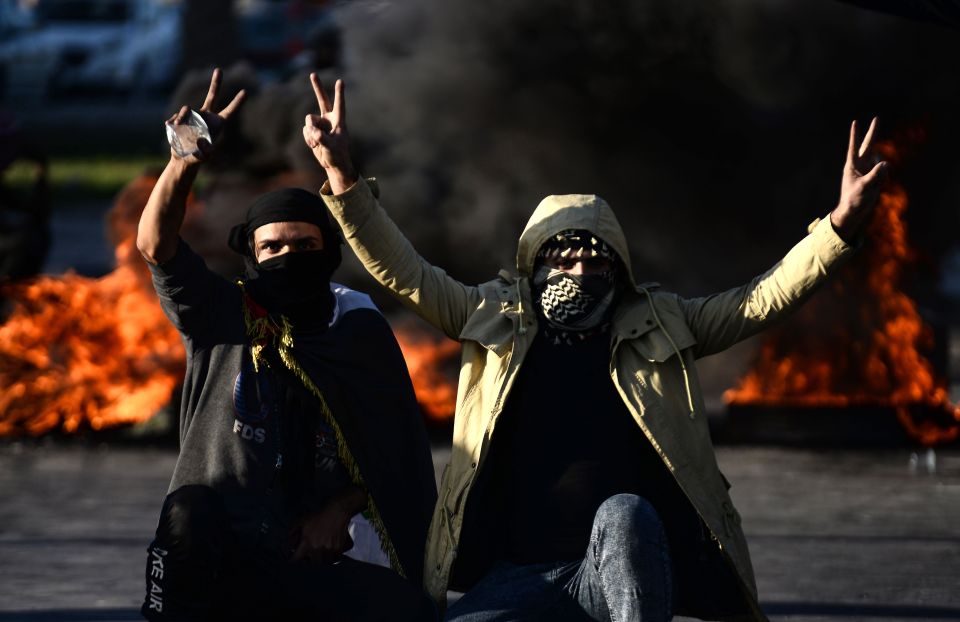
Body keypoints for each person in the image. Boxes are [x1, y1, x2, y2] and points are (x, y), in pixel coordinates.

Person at [302, 74, 887, 621]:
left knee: (624, 512)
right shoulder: (490, 316)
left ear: (617, 265)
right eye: (563, 256)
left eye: (593, 257)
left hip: (620, 566)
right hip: (524, 570)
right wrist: (342, 178)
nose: (579, 269)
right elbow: (403, 271)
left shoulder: (661, 323)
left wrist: (839, 227)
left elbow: (760, 299)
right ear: (535, 262)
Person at [137, 69, 438, 622]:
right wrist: (184, 160)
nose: (286, 255)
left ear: (326, 255)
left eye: (304, 244)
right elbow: (157, 245)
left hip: (303, 552)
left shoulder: (354, 329)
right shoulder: (222, 315)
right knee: (187, 513)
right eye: (271, 247)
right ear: (252, 256)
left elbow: (392, 452)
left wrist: (340, 508)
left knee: (407, 611)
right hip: (216, 554)